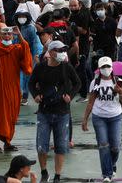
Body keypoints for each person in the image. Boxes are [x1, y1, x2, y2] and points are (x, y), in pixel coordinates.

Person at [28, 39, 81, 183]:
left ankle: (57, 175)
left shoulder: (66, 67)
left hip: (62, 112)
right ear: (50, 52)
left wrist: (70, 95)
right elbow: (31, 83)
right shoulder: (40, 67)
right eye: (59, 50)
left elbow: (77, 83)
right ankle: (44, 171)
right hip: (44, 111)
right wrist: (36, 95)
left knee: (61, 146)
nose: (63, 53)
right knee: (41, 146)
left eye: (64, 50)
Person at [0, 26, 33, 153]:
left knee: (11, 115)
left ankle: (7, 142)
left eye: (9, 35)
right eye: (4, 35)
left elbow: (26, 51)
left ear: (13, 36)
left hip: (13, 86)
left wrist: (20, 35)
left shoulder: (16, 48)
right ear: (0, 36)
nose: (7, 37)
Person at [81, 56, 122, 183]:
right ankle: (107, 174)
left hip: (115, 117)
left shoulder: (119, 81)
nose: (106, 69)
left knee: (115, 147)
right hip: (99, 117)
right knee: (103, 145)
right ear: (99, 69)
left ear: (112, 68)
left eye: (108, 66)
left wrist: (120, 92)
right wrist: (85, 119)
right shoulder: (95, 83)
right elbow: (90, 102)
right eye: (103, 67)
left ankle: (112, 165)